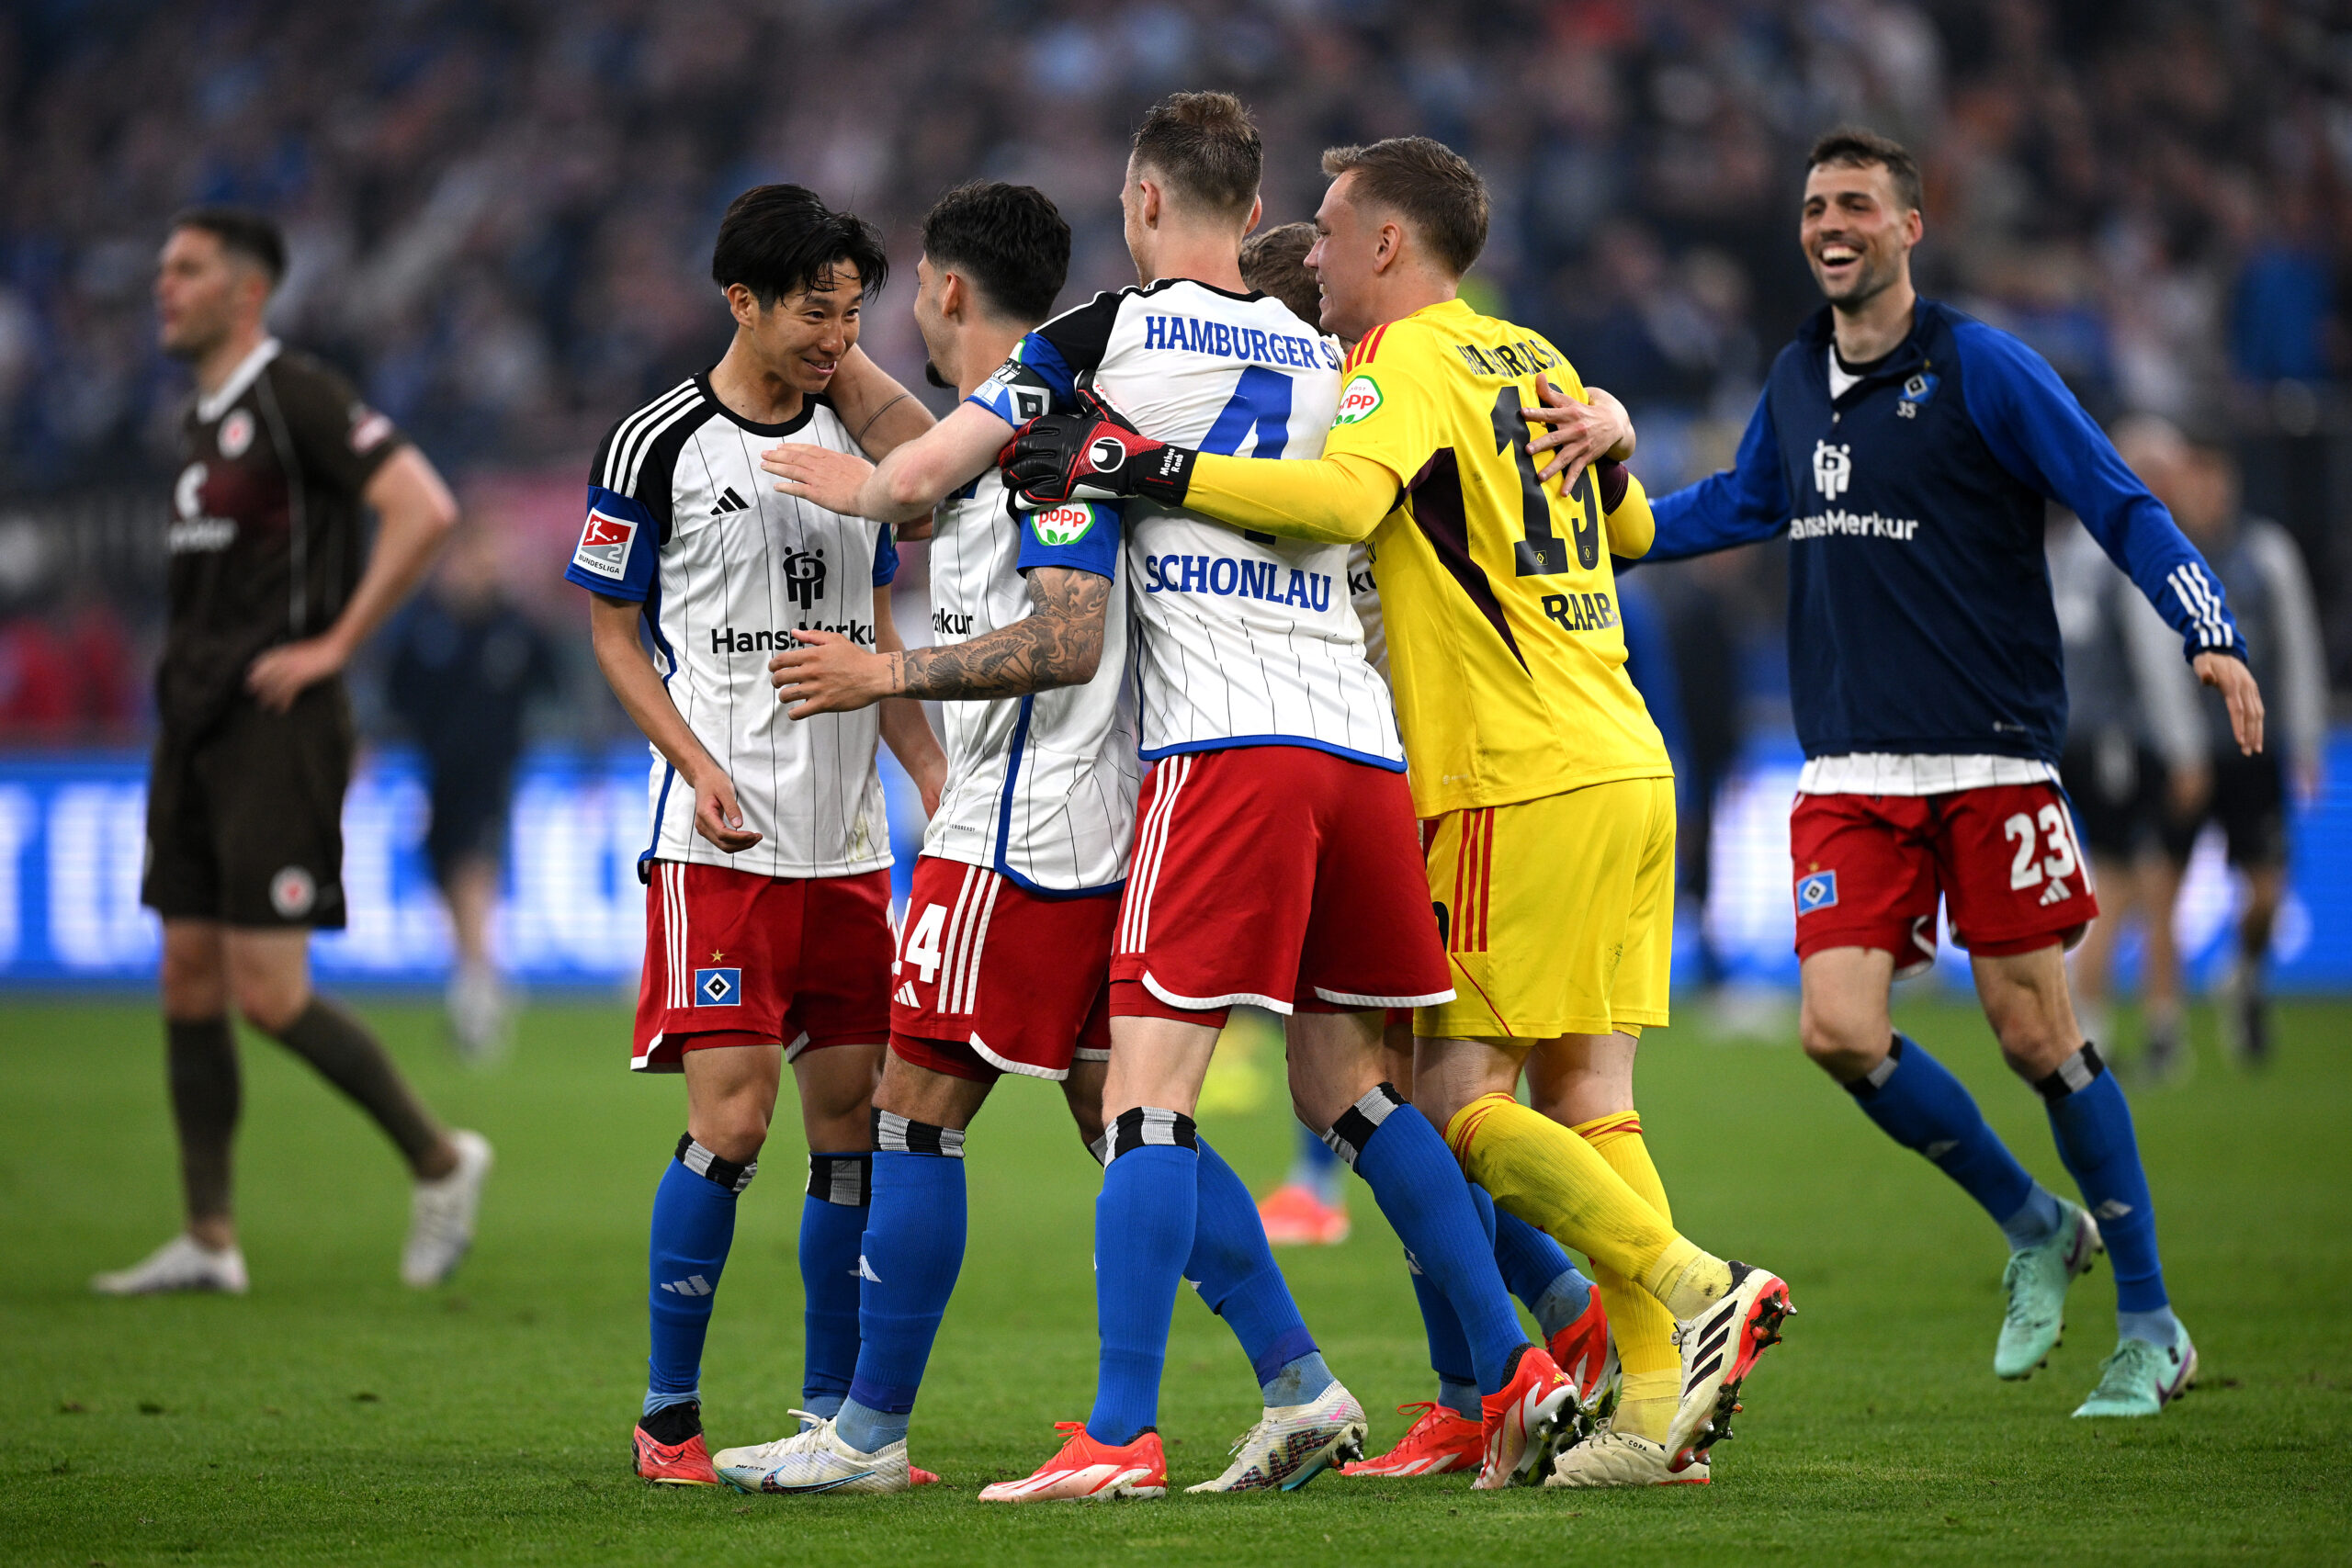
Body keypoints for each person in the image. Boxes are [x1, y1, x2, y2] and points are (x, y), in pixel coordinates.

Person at [771, 94, 1576, 1499]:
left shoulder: (1104, 341)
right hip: (1362, 746)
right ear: (1257, 208)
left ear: (1145, 205)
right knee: (1350, 1088)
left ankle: (1120, 1431)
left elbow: (927, 472)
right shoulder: (1341, 353)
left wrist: (841, 476)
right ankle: (1517, 1370)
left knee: (1144, 1100)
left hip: (1224, 753)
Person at [1007, 133, 1793, 1490]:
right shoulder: (1534, 355)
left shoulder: (1401, 364)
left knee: (1455, 1095)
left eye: (1325, 231)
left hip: (1505, 766)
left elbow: (1334, 498)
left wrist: (1146, 468)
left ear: (1386, 244)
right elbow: (1634, 533)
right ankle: (1654, 1403)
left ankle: (1696, 1278)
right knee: (1590, 1095)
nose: (1310, 256)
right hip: (1619, 749)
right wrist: (1611, 433)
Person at [710, 180, 1370, 1497]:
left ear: (947, 291)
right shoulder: (1001, 421)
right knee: (1120, 1117)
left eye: (899, 298)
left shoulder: (1044, 432)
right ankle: (1301, 1381)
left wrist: (882, 679)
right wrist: (831, 356)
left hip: (1025, 829)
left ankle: (866, 1432)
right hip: (1104, 823)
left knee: (913, 1111)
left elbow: (1067, 641)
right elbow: (906, 453)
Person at [1632, 129, 2264, 1418]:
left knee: (2040, 1032)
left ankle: (2153, 1322)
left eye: (1858, 203)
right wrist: (1610, 525)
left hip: (1990, 758)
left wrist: (2207, 625)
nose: (1831, 224)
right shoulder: (1796, 374)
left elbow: (2117, 497)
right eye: (1815, 206)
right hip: (1851, 765)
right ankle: (2034, 1217)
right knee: (1838, 1029)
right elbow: (1738, 502)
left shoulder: (1985, 368)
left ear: (1912, 226)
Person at [564, 184, 946, 1487]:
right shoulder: (657, 442)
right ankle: (668, 1412)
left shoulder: (864, 445)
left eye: (855, 309)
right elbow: (613, 630)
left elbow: (886, 617)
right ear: (742, 300)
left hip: (847, 850)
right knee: (736, 1121)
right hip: (717, 846)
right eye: (816, 308)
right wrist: (693, 759)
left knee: (857, 1129)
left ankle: (835, 1416)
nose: (839, 332)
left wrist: (931, 769)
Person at [1238, 219, 1617, 1482]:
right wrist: (1602, 424)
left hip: (1400, 778)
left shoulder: (1335, 424)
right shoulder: (1381, 403)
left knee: (1390, 1091)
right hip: (1416, 773)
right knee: (1398, 1092)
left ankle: (1552, 1326)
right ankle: (1487, 1365)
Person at [96, 207, 493, 1299]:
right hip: (196, 726)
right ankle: (209, 1236)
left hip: (280, 725)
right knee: (187, 975)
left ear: (246, 292)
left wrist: (334, 645)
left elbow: (423, 506)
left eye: (185, 270)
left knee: (267, 990)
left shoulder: (295, 395)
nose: (162, 287)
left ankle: (440, 1157)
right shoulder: (200, 417)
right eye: (162, 267)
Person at [2132, 423, 2326, 1072]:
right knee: (2163, 888)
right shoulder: (2165, 554)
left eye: (2218, 484)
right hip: (2186, 753)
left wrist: (2305, 737)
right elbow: (2157, 661)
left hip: (2253, 748)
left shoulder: (2267, 554)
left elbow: (2297, 648)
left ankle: (2243, 975)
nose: (2209, 496)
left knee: (2266, 892)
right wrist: (2181, 749)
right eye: (2197, 483)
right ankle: (2164, 1030)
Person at [2051, 420, 2208, 1063]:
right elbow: (2153, 659)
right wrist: (2186, 749)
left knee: (2126, 873)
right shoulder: (2128, 545)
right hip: (2117, 735)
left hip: (2064, 732)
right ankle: (2089, 1028)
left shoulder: (2066, 545)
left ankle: (2127, 1019)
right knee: (2122, 876)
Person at [384, 520, 560, 1060]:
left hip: (494, 775)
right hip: (437, 776)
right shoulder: (426, 625)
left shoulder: (515, 627)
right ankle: (481, 977)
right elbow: (394, 692)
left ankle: (477, 1001)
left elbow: (556, 684)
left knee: (471, 875)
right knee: (445, 877)